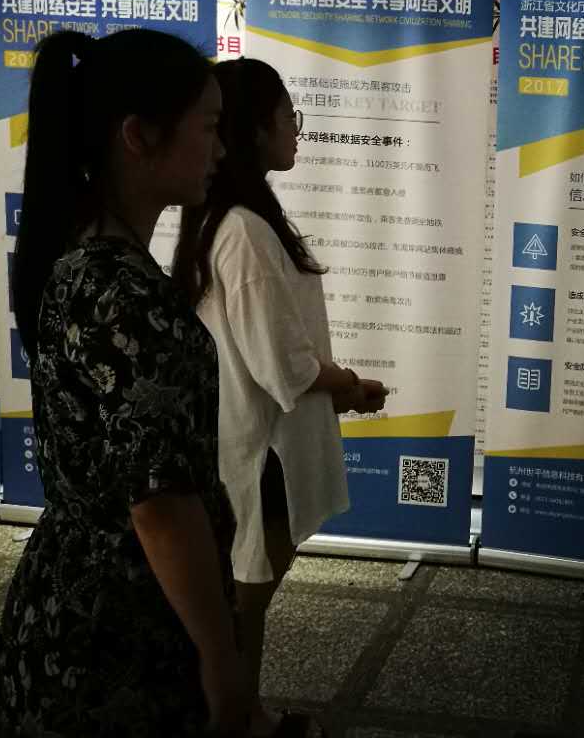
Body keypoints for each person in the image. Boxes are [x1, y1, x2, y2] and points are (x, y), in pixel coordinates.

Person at [0, 29, 247, 736]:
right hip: (116, 641)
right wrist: (222, 657)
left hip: (72, 608)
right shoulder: (122, 295)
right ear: (138, 136)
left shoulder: (84, 259)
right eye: (208, 127)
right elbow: (159, 505)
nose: (221, 150)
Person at [173, 57, 385, 738]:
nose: (296, 129)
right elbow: (283, 365)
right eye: (286, 115)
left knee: (244, 597)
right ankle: (241, 721)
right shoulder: (243, 229)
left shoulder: (234, 221)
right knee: (245, 599)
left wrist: (340, 389)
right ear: (255, 129)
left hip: (256, 438)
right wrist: (346, 384)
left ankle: (245, 715)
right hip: (261, 450)